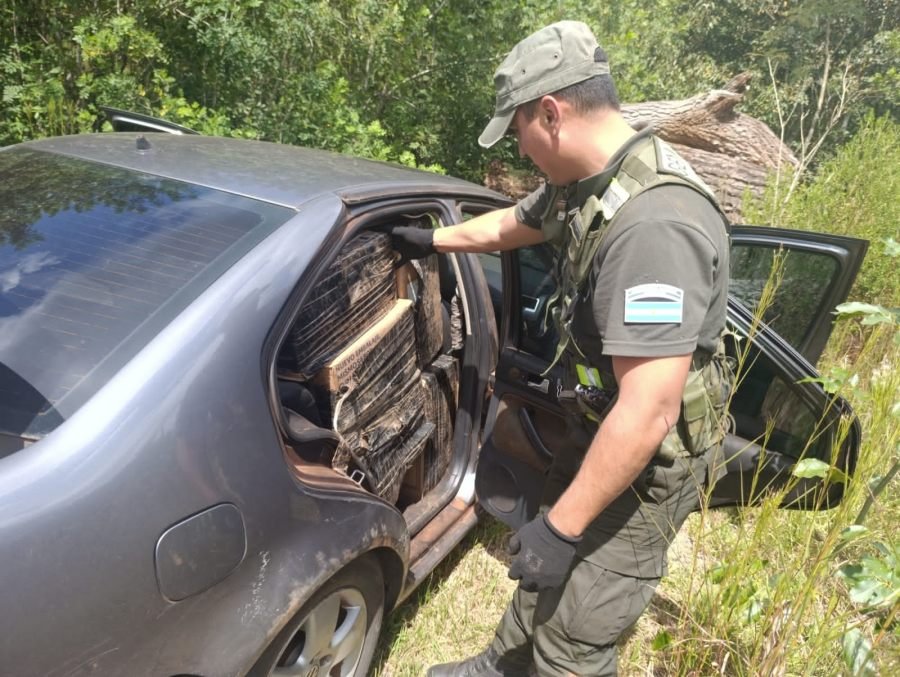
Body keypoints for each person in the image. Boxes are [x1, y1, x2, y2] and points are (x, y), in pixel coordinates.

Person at [388, 20, 733, 677]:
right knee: (540, 570)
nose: (519, 150)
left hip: (646, 460)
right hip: (597, 422)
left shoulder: (655, 225)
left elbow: (652, 408)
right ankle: (501, 665)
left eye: (517, 130)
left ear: (550, 112)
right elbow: (514, 223)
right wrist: (431, 242)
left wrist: (564, 527)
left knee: (577, 634)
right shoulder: (588, 182)